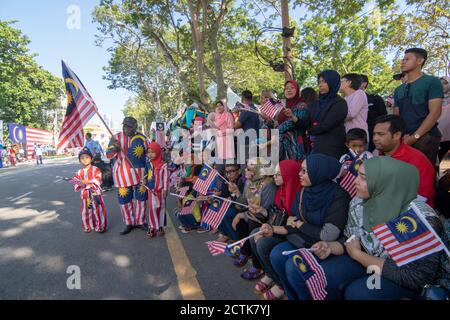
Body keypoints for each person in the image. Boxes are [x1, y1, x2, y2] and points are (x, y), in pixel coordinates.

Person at [282, 157, 445, 300]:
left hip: (401, 278)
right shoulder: (359, 203)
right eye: (358, 175)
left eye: (364, 178)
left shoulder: (418, 218)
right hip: (365, 260)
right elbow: (349, 239)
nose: (355, 182)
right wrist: (330, 247)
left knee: (360, 292)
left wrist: (358, 255)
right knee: (315, 273)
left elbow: (417, 278)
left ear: (385, 182)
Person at [269, 154, 351, 300]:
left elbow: (328, 235)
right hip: (303, 240)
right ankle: (291, 295)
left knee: (293, 267)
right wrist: (273, 228)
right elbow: (291, 220)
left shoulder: (339, 196)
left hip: (324, 247)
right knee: (276, 255)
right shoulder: (304, 191)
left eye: (304, 171)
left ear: (318, 172)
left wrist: (300, 224)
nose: (299, 174)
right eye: (301, 170)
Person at [249, 160, 301, 300]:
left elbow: (291, 225)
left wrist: (271, 228)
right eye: (275, 174)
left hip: (290, 234)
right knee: (254, 234)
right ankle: (271, 274)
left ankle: (281, 284)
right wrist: (262, 211)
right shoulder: (281, 190)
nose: (275, 177)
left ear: (289, 175)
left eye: (279, 174)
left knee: (262, 243)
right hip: (279, 229)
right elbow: (277, 215)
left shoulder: (298, 193)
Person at [393, 48, 444, 166]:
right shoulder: (398, 90)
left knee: (424, 175)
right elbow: (396, 117)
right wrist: (398, 137)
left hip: (426, 137)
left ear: (420, 61)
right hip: (403, 139)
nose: (403, 61)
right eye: (402, 59)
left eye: (407, 59)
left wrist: (415, 136)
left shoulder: (432, 82)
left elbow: (435, 113)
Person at [373, 115, 435, 208]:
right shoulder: (377, 155)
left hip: (413, 214)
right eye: (374, 134)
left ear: (397, 135)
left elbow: (421, 198)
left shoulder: (417, 160)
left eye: (381, 134)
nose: (375, 138)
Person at [106, 117, 150, 235]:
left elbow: (150, 154)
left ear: (135, 127)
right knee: (124, 200)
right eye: (124, 126)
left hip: (140, 175)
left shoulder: (143, 138)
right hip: (122, 175)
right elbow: (108, 155)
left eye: (129, 126)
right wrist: (115, 147)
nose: (126, 129)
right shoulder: (116, 138)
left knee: (141, 199)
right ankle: (129, 222)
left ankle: (140, 221)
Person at [308, 70, 348, 159]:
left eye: (324, 82)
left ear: (332, 82)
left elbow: (327, 125)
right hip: (316, 146)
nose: (320, 85)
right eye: (319, 82)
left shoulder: (340, 103)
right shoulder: (316, 103)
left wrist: (309, 130)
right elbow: (308, 119)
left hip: (332, 148)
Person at [73, 148, 108, 233]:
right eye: (82, 158)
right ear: (79, 160)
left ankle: (100, 226)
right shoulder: (79, 172)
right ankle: (87, 225)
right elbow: (76, 182)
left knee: (98, 209)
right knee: (86, 210)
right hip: (85, 194)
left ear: (91, 158)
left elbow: (98, 179)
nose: (84, 159)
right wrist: (78, 183)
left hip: (95, 193)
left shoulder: (96, 169)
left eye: (87, 157)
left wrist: (85, 182)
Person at [277, 80, 310, 161]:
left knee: (294, 170)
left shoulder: (302, 105)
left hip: (295, 146)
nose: (289, 90)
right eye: (286, 88)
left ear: (297, 90)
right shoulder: (283, 107)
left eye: (292, 88)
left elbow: (297, 123)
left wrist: (291, 116)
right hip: (281, 145)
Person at [144, 142, 169, 238]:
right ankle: (152, 226)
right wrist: (144, 179)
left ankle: (160, 226)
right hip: (151, 191)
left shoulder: (163, 165)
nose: (150, 154)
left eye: (152, 152)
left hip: (161, 191)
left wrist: (166, 190)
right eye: (148, 152)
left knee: (161, 208)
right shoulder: (148, 163)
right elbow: (146, 174)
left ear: (158, 152)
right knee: (152, 208)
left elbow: (166, 178)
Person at [360, 74, 387, 151]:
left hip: (372, 137)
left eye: (356, 81)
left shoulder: (375, 99)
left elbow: (384, 117)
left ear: (364, 84)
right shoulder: (347, 100)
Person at [234, 90, 260, 165]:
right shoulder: (255, 108)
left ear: (243, 98)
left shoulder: (246, 109)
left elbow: (237, 125)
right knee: (253, 166)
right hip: (256, 139)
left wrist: (235, 114)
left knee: (245, 165)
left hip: (247, 141)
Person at [340, 73, 369, 137]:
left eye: (341, 81)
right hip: (347, 135)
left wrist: (334, 117)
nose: (339, 84)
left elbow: (351, 113)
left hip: (359, 136)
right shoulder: (344, 99)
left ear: (349, 82)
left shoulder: (359, 93)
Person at [214, 100, 235, 170]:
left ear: (224, 106)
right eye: (217, 106)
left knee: (228, 163)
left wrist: (221, 132)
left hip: (227, 140)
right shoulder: (217, 117)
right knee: (220, 163)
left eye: (220, 105)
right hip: (220, 141)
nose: (219, 107)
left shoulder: (228, 115)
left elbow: (231, 129)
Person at [438, 76, 450, 163]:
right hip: (440, 137)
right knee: (441, 161)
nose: (442, 86)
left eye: (445, 83)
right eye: (440, 84)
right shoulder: (436, 100)